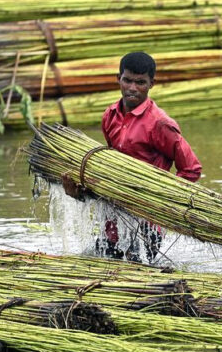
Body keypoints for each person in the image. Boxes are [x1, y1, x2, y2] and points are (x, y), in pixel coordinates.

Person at [66, 51, 202, 262]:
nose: (132, 88)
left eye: (140, 82)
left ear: (151, 84)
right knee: (101, 268)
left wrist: (161, 199)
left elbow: (191, 169)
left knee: (139, 275)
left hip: (148, 220)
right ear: (118, 79)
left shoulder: (160, 124)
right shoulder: (109, 116)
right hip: (114, 216)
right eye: (127, 80)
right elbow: (110, 163)